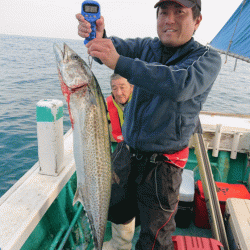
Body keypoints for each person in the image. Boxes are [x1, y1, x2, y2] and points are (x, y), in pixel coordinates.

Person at [76, 0, 222, 249]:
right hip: (128, 155)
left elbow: (179, 84)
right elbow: (111, 49)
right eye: (163, 12)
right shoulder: (146, 47)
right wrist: (99, 36)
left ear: (197, 21)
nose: (169, 20)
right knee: (114, 209)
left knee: (154, 238)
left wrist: (119, 62)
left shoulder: (207, 58)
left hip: (163, 168)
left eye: (179, 13)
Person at [107, 73, 133, 146]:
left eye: (122, 87)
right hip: (116, 146)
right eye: (114, 88)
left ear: (132, 87)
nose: (118, 93)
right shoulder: (106, 107)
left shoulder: (143, 105)